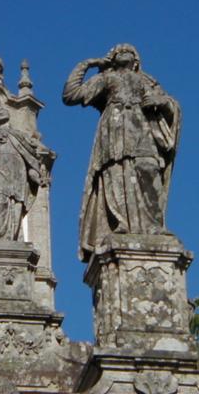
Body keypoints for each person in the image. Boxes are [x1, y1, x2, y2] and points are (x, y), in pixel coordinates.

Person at [62, 44, 181, 261]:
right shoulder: (106, 78)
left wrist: (162, 102)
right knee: (115, 176)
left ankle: (154, 226)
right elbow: (71, 95)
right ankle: (121, 224)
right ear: (111, 59)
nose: (124, 51)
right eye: (118, 51)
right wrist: (88, 64)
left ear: (136, 61)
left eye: (129, 51)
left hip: (142, 131)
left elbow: (171, 106)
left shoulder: (147, 81)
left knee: (149, 169)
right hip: (114, 132)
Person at [0, 87, 44, 242]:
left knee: (17, 208)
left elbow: (30, 161)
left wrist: (36, 177)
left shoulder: (20, 136)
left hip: (18, 175)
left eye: (2, 109)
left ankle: (12, 239)